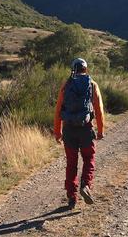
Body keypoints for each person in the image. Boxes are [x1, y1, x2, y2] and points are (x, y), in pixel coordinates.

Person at [54, 58, 105, 209]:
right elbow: (99, 110)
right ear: (86, 69)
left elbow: (58, 111)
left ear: (73, 69)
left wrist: (58, 132)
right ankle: (86, 185)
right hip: (86, 129)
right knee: (89, 158)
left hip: (69, 130)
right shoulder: (92, 84)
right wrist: (101, 130)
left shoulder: (66, 85)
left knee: (71, 163)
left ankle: (71, 197)